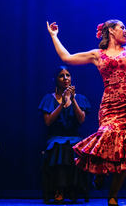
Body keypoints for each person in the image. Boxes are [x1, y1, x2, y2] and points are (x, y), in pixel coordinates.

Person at [46, 20, 126, 206]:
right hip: (111, 107)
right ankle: (100, 170)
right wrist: (54, 36)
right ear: (111, 31)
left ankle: (113, 195)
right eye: (122, 28)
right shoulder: (98, 55)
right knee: (107, 136)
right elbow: (67, 58)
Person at [39, 66, 91, 204]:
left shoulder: (79, 98)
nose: (66, 78)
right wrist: (62, 103)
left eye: (68, 75)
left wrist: (72, 99)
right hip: (55, 137)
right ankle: (59, 189)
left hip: (74, 136)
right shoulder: (49, 98)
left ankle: (73, 188)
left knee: (75, 146)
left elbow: (81, 119)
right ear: (56, 80)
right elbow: (48, 122)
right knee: (58, 146)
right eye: (62, 76)